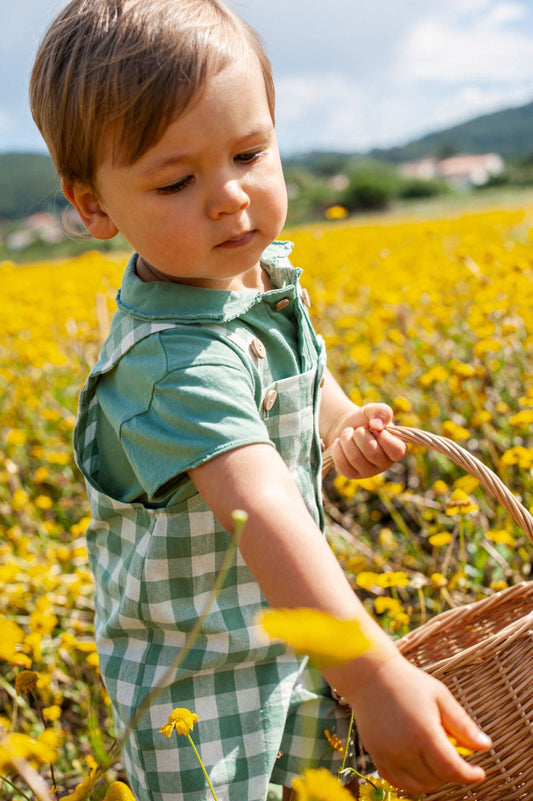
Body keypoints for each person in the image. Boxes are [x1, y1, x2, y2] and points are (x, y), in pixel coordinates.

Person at [30, 2, 491, 800]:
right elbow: (263, 507)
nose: (230, 198)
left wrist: (340, 422)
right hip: (200, 687)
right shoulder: (172, 363)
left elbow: (296, 371)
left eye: (248, 153)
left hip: (296, 636)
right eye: (176, 181)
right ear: (93, 206)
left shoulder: (258, 279)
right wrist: (374, 674)